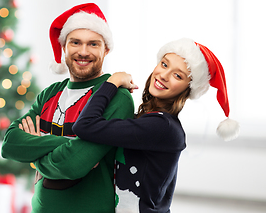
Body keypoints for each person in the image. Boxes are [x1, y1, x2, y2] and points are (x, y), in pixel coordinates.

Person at [72, 38, 240, 213]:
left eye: (178, 75)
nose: (164, 75)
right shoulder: (152, 121)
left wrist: (112, 82)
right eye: (165, 64)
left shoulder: (161, 127)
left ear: (187, 88)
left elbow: (84, 125)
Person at [1, 3, 134, 212]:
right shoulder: (49, 94)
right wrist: (70, 143)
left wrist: (35, 151)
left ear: (106, 49)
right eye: (75, 42)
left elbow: (74, 164)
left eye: (93, 44)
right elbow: (9, 145)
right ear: (64, 47)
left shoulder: (116, 96)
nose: (83, 52)